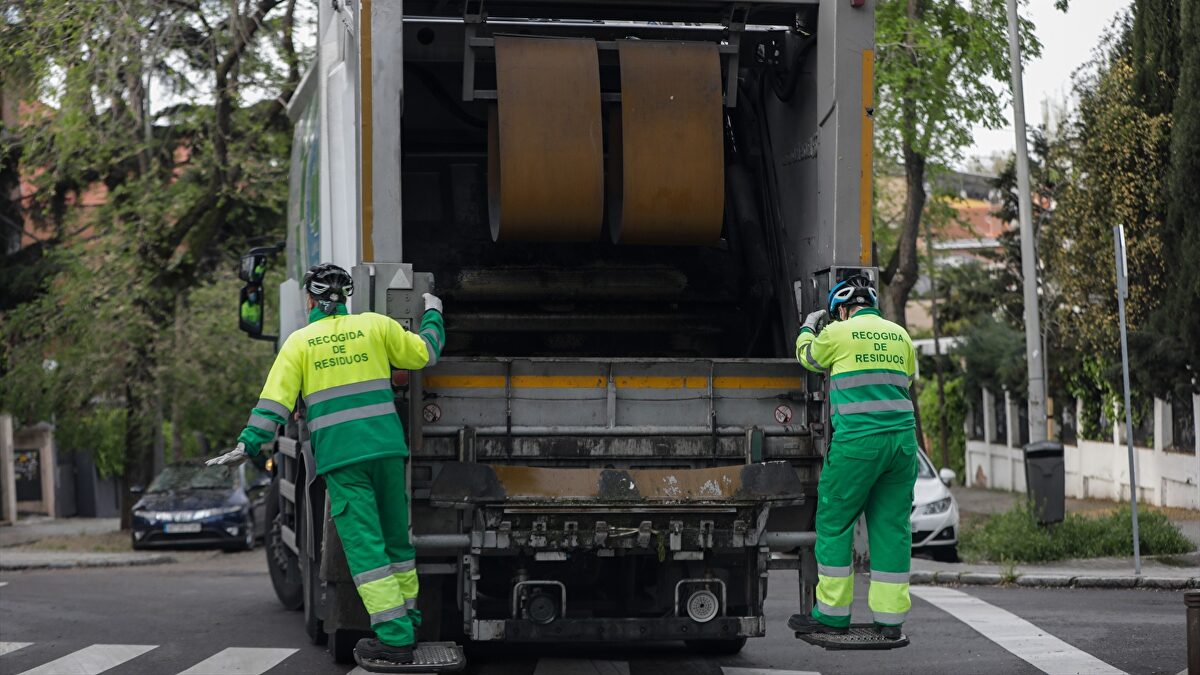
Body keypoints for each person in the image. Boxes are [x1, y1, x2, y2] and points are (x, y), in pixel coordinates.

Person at [208, 262, 444, 665]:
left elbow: (274, 404)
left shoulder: (300, 344)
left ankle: (395, 638)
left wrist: (248, 445)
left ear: (310, 299)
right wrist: (434, 312)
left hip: (343, 460)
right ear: (345, 297)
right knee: (397, 543)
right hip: (387, 451)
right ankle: (408, 620)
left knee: (367, 549)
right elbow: (425, 353)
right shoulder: (376, 326)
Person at [788, 275, 918, 640]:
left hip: (859, 444)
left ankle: (831, 615)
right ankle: (890, 621)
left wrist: (809, 327)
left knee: (834, 521)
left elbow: (808, 358)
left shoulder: (838, 333)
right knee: (892, 528)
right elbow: (904, 380)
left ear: (842, 310)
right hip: (903, 444)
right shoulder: (900, 335)